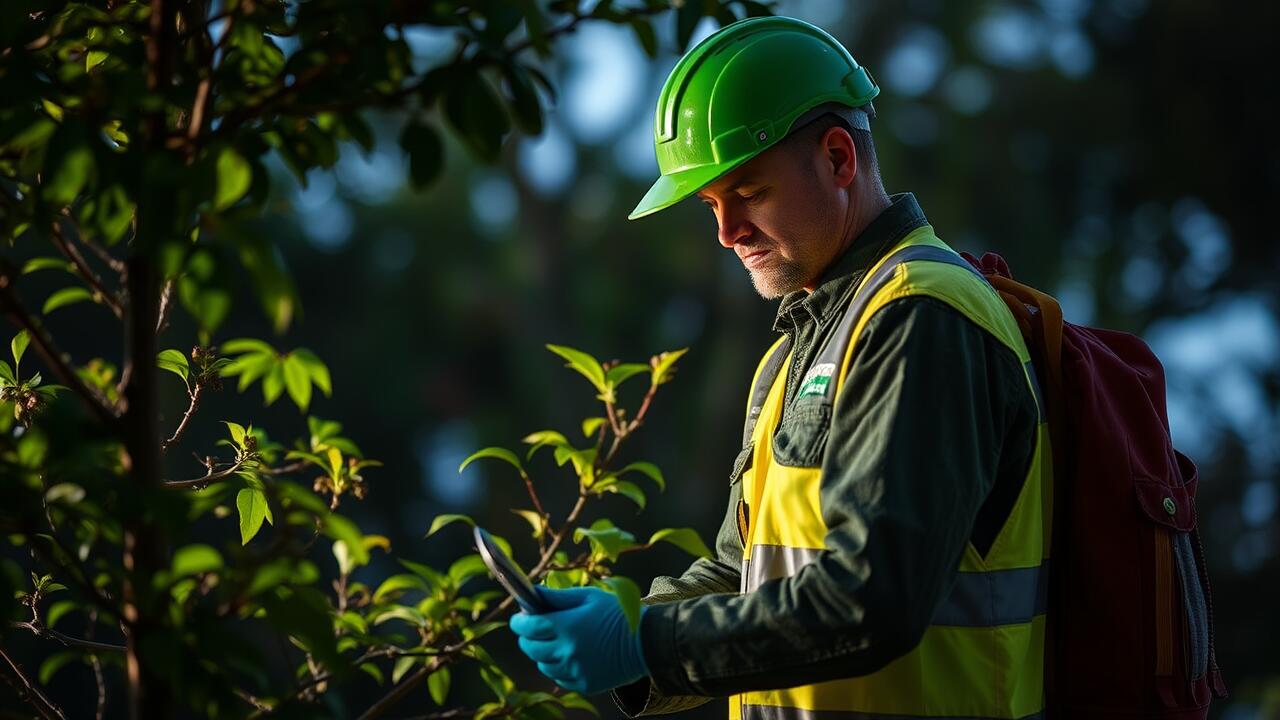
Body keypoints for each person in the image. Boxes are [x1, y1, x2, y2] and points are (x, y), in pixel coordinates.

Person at [509, 15, 1051, 720]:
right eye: (711, 204)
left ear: (837, 159)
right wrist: (625, 619)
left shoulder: (923, 315)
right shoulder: (796, 349)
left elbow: (869, 597)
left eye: (749, 193)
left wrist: (647, 640)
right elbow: (750, 577)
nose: (726, 233)